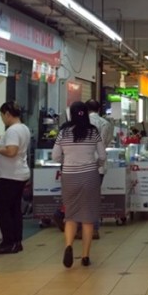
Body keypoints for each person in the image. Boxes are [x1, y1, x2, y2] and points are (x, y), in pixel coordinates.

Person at [53, 101, 106, 268]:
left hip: (69, 176)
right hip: (90, 176)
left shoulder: (63, 132)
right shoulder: (93, 132)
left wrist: (67, 161)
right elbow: (103, 155)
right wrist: (95, 164)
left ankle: (69, 246)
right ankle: (85, 256)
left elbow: (55, 156)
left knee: (71, 215)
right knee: (88, 218)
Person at [0, 101, 31, 255]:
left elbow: (11, 151)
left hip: (10, 176)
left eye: (2, 115)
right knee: (14, 209)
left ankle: (8, 242)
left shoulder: (13, 130)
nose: (2, 119)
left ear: (8, 114)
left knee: (0, 207)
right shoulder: (23, 128)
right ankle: (16, 242)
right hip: (19, 174)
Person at [86, 99, 113, 240]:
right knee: (94, 197)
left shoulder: (82, 123)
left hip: (83, 164)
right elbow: (107, 142)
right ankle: (93, 228)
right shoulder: (106, 124)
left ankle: (82, 227)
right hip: (100, 164)